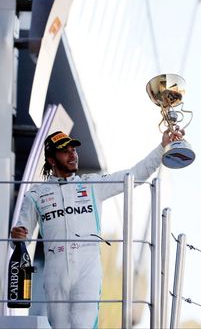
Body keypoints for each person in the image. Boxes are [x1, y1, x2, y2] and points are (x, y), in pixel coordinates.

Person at [11, 128, 183, 329]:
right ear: (51, 159)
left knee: (83, 325)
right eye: (65, 151)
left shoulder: (91, 183)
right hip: (55, 270)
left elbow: (134, 176)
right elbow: (22, 234)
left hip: (87, 268)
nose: (72, 154)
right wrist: (17, 234)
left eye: (73, 150)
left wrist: (162, 147)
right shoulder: (35, 194)